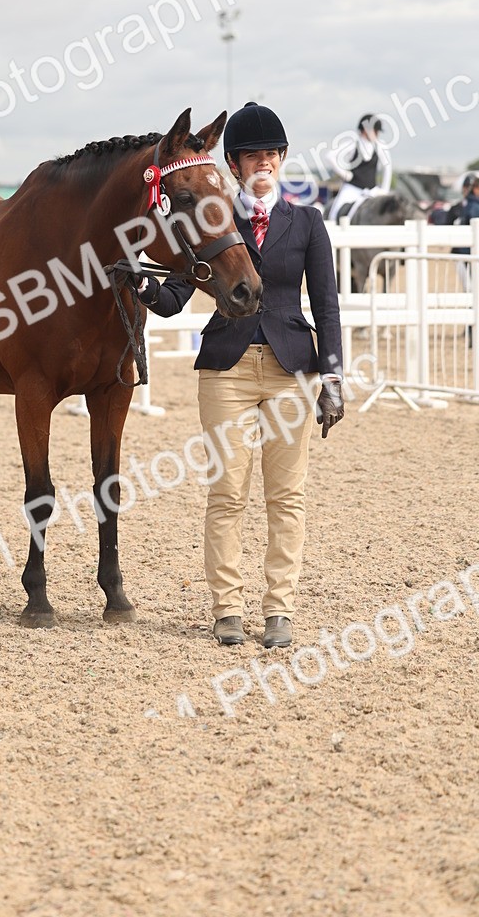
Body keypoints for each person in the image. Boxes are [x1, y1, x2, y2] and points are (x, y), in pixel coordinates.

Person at [130, 103, 344, 649]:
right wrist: (145, 288)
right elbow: (181, 290)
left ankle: (280, 611)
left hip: (291, 369)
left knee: (286, 495)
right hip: (226, 369)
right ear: (235, 163)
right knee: (226, 493)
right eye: (252, 156)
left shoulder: (308, 223)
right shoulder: (213, 216)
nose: (263, 163)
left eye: (271, 154)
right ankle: (227, 609)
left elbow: (326, 304)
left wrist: (334, 379)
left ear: (282, 159)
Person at [328, 115, 393, 222]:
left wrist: (385, 190)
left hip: (372, 190)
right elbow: (330, 156)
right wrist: (344, 173)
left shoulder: (380, 146)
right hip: (352, 189)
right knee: (334, 214)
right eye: (376, 131)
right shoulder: (353, 144)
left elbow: (387, 168)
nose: (377, 134)